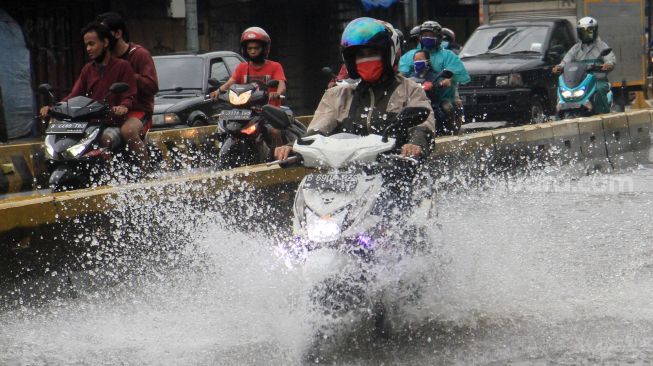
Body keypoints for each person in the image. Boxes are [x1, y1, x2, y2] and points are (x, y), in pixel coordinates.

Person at [274, 17, 435, 162]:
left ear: (389, 53)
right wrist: (292, 147)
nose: (366, 59)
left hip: (396, 172)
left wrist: (415, 143)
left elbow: (424, 125)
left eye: (373, 52)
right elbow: (316, 132)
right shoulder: (338, 95)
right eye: (360, 55)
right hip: (346, 177)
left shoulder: (409, 89)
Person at [40, 22, 137, 154]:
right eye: (86, 45)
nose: (88, 49)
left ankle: (114, 174)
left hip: (112, 123)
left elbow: (129, 95)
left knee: (104, 140)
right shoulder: (87, 69)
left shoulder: (122, 66)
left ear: (105, 43)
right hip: (88, 124)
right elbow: (74, 95)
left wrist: (122, 107)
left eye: (92, 44)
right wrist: (54, 108)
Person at [97, 12, 159, 170]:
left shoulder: (139, 54)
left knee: (129, 131)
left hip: (138, 110)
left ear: (118, 33)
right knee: (97, 135)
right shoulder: (103, 59)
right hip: (112, 111)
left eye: (105, 34)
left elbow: (152, 86)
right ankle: (109, 176)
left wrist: (129, 74)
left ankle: (146, 173)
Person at [399, 20, 469, 135]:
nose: (427, 38)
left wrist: (447, 81)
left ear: (439, 37)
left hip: (441, 95)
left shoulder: (448, 55)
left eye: (430, 35)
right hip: (417, 94)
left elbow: (455, 74)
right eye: (424, 35)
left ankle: (451, 131)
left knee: (447, 108)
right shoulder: (411, 55)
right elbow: (402, 73)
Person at [552, 16, 616, 114]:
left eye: (589, 31)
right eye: (583, 32)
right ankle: (558, 116)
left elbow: (610, 59)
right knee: (561, 90)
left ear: (595, 31)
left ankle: (604, 116)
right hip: (580, 82)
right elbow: (566, 60)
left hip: (598, 80)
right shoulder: (576, 48)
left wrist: (608, 64)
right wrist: (559, 67)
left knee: (599, 90)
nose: (586, 34)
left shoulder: (602, 46)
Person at [210, 26, 286, 107]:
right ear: (245, 50)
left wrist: (277, 93)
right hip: (246, 111)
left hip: (270, 112)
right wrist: (217, 91)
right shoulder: (242, 67)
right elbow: (230, 83)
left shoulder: (275, 66)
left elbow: (281, 84)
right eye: (249, 48)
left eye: (256, 48)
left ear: (264, 49)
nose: (253, 51)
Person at [411, 50, 459, 135]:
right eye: (415, 60)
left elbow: (440, 89)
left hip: (434, 104)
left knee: (447, 107)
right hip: (417, 104)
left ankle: (450, 132)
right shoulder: (412, 78)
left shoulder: (435, 75)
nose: (417, 62)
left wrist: (440, 85)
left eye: (420, 59)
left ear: (427, 61)